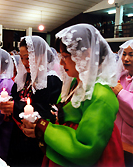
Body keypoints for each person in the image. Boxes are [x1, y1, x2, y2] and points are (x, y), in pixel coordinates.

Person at [21, 24, 125, 167]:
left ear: (86, 54)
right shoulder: (73, 85)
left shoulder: (101, 95)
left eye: (65, 56)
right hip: (63, 150)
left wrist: (43, 129)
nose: (61, 63)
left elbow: (85, 147)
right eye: (60, 56)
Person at [0, 36, 62, 167]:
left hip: (36, 138)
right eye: (22, 58)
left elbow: (47, 111)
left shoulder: (51, 80)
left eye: (28, 58)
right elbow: (16, 97)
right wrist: (8, 105)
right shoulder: (25, 78)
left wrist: (16, 106)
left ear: (40, 56)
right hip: (18, 134)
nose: (24, 62)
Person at [111, 39, 133, 167]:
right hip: (117, 140)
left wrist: (120, 93)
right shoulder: (120, 77)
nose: (126, 59)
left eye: (131, 55)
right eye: (124, 54)